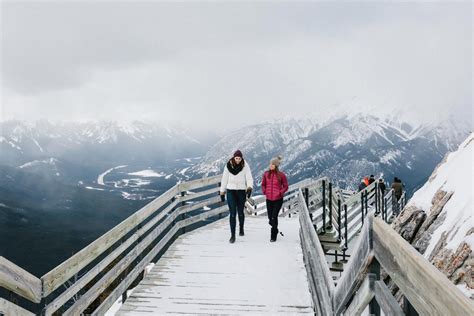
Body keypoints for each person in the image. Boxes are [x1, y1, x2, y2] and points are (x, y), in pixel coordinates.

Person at [220, 150, 254, 244]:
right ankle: (233, 235)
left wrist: (249, 187)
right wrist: (222, 192)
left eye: (239, 158)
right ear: (234, 158)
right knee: (232, 214)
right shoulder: (228, 166)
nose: (238, 160)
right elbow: (224, 179)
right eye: (236, 158)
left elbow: (249, 177)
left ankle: (241, 228)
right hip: (230, 191)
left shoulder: (245, 165)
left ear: (241, 158)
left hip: (241, 191)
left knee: (240, 212)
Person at [261, 156, 288, 242]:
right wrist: (265, 191)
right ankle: (275, 229)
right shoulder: (266, 174)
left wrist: (280, 192)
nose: (270, 165)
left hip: (278, 199)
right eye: (270, 164)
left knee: (274, 217)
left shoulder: (281, 175)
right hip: (269, 199)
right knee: (270, 218)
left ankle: (273, 236)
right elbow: (263, 185)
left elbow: (286, 186)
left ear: (276, 165)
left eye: (272, 164)